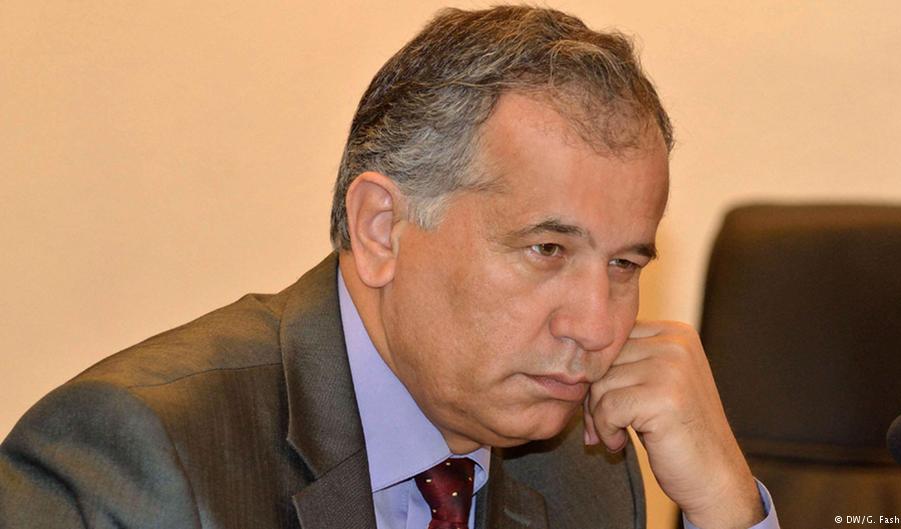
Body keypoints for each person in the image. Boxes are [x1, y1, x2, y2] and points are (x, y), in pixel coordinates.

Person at [0, 6, 780, 529]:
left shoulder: (584, 466)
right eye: (547, 250)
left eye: (625, 263)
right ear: (382, 228)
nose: (598, 326)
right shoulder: (139, 456)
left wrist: (729, 510)